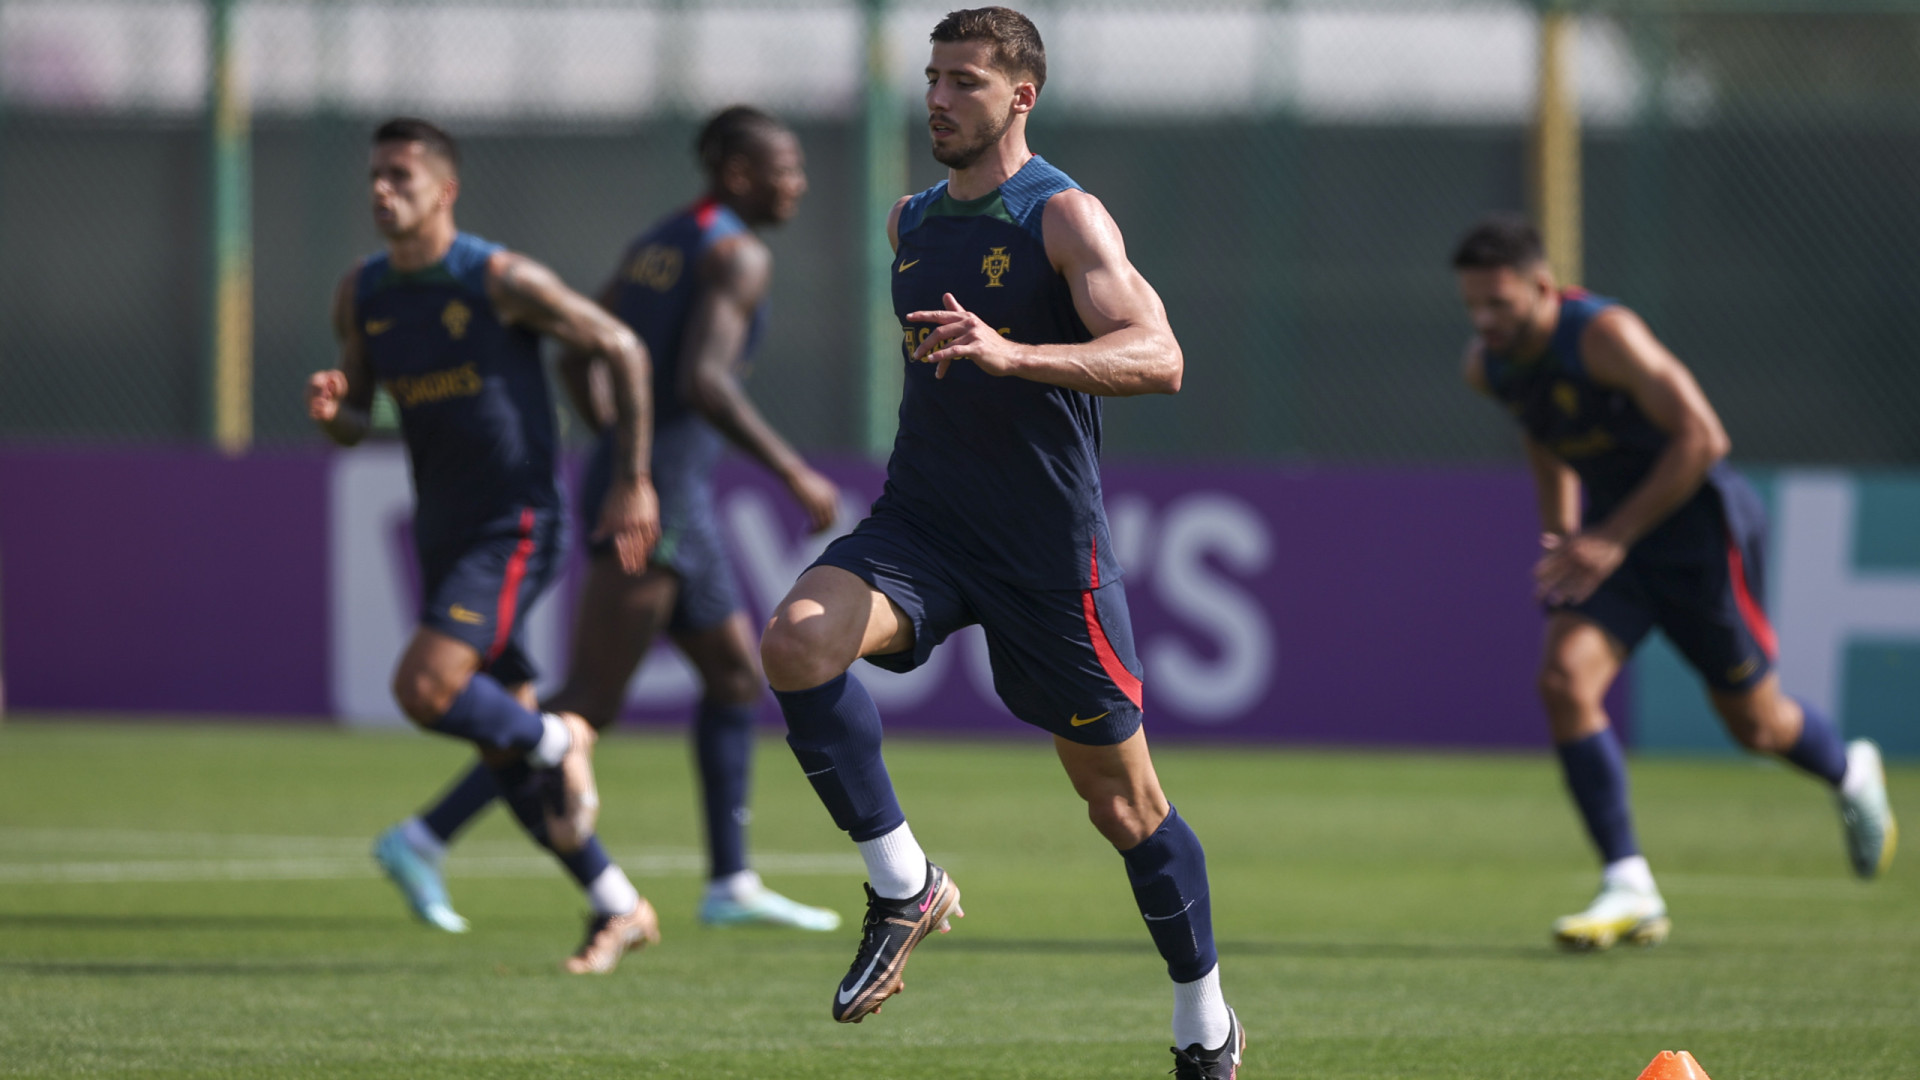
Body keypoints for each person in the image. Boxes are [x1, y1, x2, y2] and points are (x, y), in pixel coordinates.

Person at [754, 9, 1243, 1078]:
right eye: (932, 77)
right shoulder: (911, 222)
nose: (938, 97)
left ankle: (1204, 1019)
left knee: (1123, 806)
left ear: (1021, 97)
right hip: (923, 527)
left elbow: (1159, 357)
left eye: (965, 81)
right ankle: (903, 884)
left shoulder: (1062, 216)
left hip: (1043, 553)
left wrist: (1015, 355)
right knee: (795, 639)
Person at [375, 105, 844, 938]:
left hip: (655, 486)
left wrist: (615, 445)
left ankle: (731, 881)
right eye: (787, 168)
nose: (798, 183)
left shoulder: (664, 240)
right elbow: (704, 380)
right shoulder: (737, 254)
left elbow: (576, 347)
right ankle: (425, 835)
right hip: (658, 498)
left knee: (736, 679)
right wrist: (790, 469)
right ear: (740, 175)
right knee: (588, 700)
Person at [1451, 214, 1898, 951]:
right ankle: (1629, 884)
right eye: (1472, 305)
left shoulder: (1604, 335)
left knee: (1756, 725)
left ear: (1541, 286)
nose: (1484, 320)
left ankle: (1851, 771)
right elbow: (1542, 430)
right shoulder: (1489, 364)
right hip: (1610, 544)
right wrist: (1564, 534)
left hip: (1696, 535)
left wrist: (1610, 536)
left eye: (1498, 303)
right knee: (1564, 681)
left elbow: (1703, 437)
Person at [310, 117, 665, 974]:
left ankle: (559, 740)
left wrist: (631, 476)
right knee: (498, 741)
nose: (381, 191)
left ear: (445, 188)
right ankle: (617, 901)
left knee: (425, 687)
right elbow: (359, 421)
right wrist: (339, 414)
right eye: (374, 176)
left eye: (399, 174)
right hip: (442, 526)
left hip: (515, 526)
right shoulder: (364, 292)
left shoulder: (495, 277)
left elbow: (620, 345)